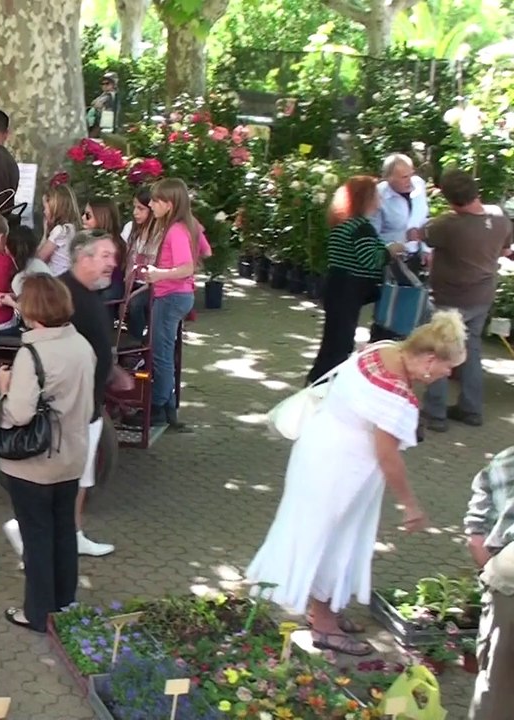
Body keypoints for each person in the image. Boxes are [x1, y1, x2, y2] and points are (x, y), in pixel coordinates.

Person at [246, 311, 466, 655]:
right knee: (335, 542)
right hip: (344, 472)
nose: (448, 374)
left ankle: (325, 610)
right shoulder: (396, 397)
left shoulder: (382, 349)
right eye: (447, 367)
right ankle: (324, 626)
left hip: (318, 450)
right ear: (428, 360)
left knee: (320, 534)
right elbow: (387, 456)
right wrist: (410, 503)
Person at [0, 274, 96, 632]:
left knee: (37, 537)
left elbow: (20, 413)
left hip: (35, 464)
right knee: (64, 533)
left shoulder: (31, 353)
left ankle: (37, 614)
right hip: (72, 456)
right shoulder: (82, 345)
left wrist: (3, 389)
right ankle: (65, 605)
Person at [420, 170, 513, 432]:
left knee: (438, 352)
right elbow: (506, 250)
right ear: (475, 190)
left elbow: (419, 235)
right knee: (471, 351)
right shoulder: (499, 216)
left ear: (450, 200)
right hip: (481, 298)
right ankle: (471, 409)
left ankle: (435, 413)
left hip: (449, 300)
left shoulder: (448, 224)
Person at [61, 231, 127, 556]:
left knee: (82, 478)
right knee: (67, 478)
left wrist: (111, 370)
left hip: (90, 404)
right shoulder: (62, 294)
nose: (112, 264)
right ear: (84, 258)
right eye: (105, 256)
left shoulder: (89, 293)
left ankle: (72, 535)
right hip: (71, 409)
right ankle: (34, 536)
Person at [306, 176, 404, 384]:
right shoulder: (362, 228)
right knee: (340, 343)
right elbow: (370, 259)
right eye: (376, 194)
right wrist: (390, 251)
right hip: (349, 289)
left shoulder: (343, 223)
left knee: (332, 340)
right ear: (367, 199)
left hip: (336, 284)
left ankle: (318, 381)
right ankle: (324, 385)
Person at [139, 178, 209, 428]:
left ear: (169, 205)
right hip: (174, 295)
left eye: (156, 200)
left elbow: (187, 267)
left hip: (171, 296)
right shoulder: (182, 227)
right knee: (164, 351)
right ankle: (167, 409)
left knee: (161, 354)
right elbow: (203, 253)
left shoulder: (175, 230)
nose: (150, 204)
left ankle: (158, 407)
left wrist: (159, 274)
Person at [464, 448, 514, 718]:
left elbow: (475, 537)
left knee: (494, 686)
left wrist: (492, 579)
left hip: (507, 576)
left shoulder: (505, 459)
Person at [373, 153, 430, 258]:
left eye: (411, 175)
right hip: (394, 259)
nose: (410, 181)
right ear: (389, 178)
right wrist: (405, 236)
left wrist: (427, 250)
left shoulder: (419, 184)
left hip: (421, 254)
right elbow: (372, 237)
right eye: (404, 177)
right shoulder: (377, 196)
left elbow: (423, 218)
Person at [121, 187, 159, 340]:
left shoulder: (160, 233)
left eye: (141, 208)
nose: (135, 212)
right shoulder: (130, 228)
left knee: (135, 304)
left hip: (152, 285)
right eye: (134, 207)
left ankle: (136, 344)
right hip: (132, 281)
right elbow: (126, 261)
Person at [83, 196, 126, 301]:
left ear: (101, 217)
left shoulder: (111, 244)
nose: (83, 218)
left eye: (88, 215)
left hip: (108, 289)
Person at [37, 183, 79, 276]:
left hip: (56, 280)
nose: (44, 212)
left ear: (55, 208)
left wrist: (44, 234)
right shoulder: (72, 228)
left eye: (45, 208)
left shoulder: (60, 230)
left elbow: (39, 259)